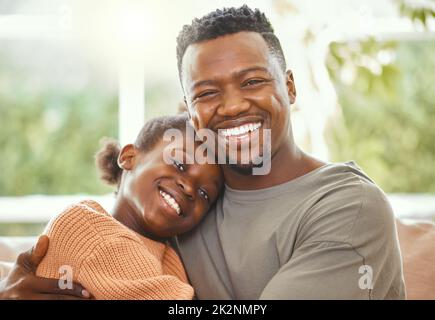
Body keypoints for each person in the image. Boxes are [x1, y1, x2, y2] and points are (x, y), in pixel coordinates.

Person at [0, 5, 405, 300]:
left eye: (252, 81)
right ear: (189, 112)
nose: (231, 107)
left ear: (290, 87)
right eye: (207, 93)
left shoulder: (348, 207)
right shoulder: (182, 209)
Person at [1, 114, 223, 299]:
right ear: (129, 157)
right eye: (179, 163)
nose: (189, 189)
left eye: (205, 193)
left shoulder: (166, 255)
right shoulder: (89, 228)